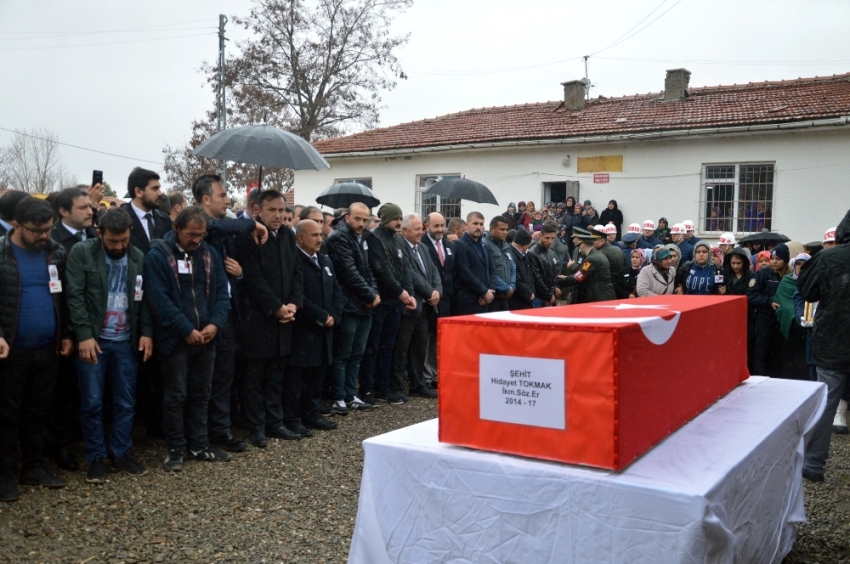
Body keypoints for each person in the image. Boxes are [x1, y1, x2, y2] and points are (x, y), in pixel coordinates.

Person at [65, 208, 153, 482]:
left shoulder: (137, 257)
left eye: (124, 240)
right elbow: (75, 296)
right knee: (92, 402)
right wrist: (83, 335)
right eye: (113, 241)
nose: (119, 246)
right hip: (95, 340)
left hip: (126, 341)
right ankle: (96, 457)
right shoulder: (83, 253)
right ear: (99, 232)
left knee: (125, 402)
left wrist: (146, 332)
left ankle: (121, 453)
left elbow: (144, 299)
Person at [144, 206, 232, 471]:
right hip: (175, 340)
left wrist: (215, 324)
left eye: (201, 234)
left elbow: (221, 293)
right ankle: (175, 448)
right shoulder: (158, 255)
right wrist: (185, 329)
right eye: (192, 234)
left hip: (206, 339)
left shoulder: (209, 253)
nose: (196, 240)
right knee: (175, 395)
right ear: (177, 229)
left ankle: (199, 444)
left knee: (201, 394)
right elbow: (159, 300)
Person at [0, 197, 74, 502]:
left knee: (39, 410)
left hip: (47, 348)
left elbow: (65, 296)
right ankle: (4, 473)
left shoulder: (56, 253)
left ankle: (33, 466)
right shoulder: (1, 253)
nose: (44, 235)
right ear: (17, 225)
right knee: (6, 413)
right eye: (37, 231)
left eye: (48, 229)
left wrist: (66, 334)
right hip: (10, 350)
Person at [193, 174, 269, 453]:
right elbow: (226, 226)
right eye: (223, 195)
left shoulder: (224, 232)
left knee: (224, 376)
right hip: (203, 316)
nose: (228, 199)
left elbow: (231, 269)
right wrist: (253, 223)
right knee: (203, 383)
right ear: (205, 199)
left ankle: (221, 430)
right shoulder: (204, 226)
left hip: (227, 312)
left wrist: (239, 275)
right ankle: (200, 435)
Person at [235, 191, 304, 445]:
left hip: (285, 317)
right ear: (258, 210)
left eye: (281, 210)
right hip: (258, 318)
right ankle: (256, 426)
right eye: (271, 210)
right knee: (255, 378)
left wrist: (294, 304)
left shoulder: (287, 235)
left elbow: (297, 272)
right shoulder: (249, 236)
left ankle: (275, 422)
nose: (277, 215)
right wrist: (275, 307)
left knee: (276, 375)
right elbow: (252, 277)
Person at [46, 187, 100, 471]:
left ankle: (83, 439)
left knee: (87, 392)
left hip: (94, 328)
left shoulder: (95, 237)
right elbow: (60, 294)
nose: (90, 211)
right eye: (83, 207)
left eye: (90, 207)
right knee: (62, 392)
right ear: (64, 211)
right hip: (63, 329)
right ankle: (61, 445)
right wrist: (67, 331)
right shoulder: (53, 242)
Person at [800, 209, 850, 482]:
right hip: (835, 340)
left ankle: (814, 464)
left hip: (833, 342)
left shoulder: (828, 257)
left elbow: (807, 290)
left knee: (826, 404)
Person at [325, 203, 380, 416]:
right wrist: (370, 295)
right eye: (357, 219)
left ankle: (350, 394)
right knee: (343, 354)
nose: (361, 224)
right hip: (348, 305)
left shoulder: (363, 237)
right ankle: (338, 397)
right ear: (347, 217)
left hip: (364, 305)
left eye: (365, 220)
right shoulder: (339, 237)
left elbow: (369, 270)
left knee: (357, 353)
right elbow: (348, 272)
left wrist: (374, 294)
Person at [288, 219, 342, 433]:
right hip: (303, 329)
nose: (320, 239)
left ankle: (312, 414)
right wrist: (320, 315)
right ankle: (293, 418)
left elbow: (337, 290)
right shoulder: (293, 261)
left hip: (324, 330)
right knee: (297, 379)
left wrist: (335, 315)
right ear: (300, 237)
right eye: (314, 235)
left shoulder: (325, 260)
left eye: (321, 234)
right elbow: (297, 295)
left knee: (317, 376)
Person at [361, 203, 415, 407]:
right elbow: (381, 270)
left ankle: (384, 388)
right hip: (381, 300)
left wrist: (407, 293)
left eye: (400, 218)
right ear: (385, 220)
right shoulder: (374, 238)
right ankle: (368, 388)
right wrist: (401, 293)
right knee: (373, 346)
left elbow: (406, 268)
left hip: (396, 302)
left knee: (388, 347)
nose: (399, 222)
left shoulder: (398, 239)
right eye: (395, 219)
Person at [394, 214, 441, 400]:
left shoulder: (422, 248)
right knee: (402, 348)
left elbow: (434, 270)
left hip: (425, 307)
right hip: (409, 305)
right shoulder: (400, 247)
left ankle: (418, 384)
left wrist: (437, 291)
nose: (420, 232)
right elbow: (411, 274)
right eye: (416, 229)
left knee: (420, 348)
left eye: (421, 228)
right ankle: (396, 387)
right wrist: (430, 292)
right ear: (404, 230)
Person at [420, 212, 454, 389]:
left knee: (438, 339)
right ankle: (425, 376)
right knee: (426, 339)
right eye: (436, 226)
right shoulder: (422, 245)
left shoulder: (449, 245)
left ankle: (435, 373)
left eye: (442, 225)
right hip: (428, 301)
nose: (440, 229)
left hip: (445, 300)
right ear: (427, 226)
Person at [747, 243, 791, 377]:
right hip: (764, 319)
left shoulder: (789, 276)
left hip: (781, 320)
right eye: (773, 258)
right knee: (761, 352)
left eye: (778, 259)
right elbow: (751, 295)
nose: (774, 262)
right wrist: (768, 302)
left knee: (778, 354)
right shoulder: (762, 274)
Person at [452, 212, 502, 315]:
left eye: (481, 224)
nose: (478, 227)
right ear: (466, 225)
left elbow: (492, 270)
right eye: (475, 223)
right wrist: (484, 291)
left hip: (486, 301)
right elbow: (465, 273)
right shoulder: (460, 245)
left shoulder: (485, 246)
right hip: (468, 301)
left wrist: (490, 291)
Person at [773, 253, 810, 380]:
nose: (800, 267)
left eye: (804, 265)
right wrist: (794, 315)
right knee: (791, 362)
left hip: (809, 328)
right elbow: (780, 301)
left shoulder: (814, 281)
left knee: (806, 361)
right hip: (791, 328)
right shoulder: (787, 280)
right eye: (798, 264)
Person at [121, 168, 172, 255]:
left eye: (159, 188)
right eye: (155, 189)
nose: (160, 193)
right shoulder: (121, 219)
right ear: (138, 192)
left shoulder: (164, 219)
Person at [558, 228, 616, 303]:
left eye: (579, 246)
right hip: (603, 295)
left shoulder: (591, 259)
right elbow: (583, 273)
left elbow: (578, 277)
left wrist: (559, 283)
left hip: (600, 296)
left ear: (582, 245)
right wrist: (567, 277)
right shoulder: (596, 255)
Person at [482, 216, 516, 312]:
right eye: (502, 229)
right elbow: (488, 271)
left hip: (507, 295)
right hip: (493, 296)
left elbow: (512, 266)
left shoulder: (505, 245)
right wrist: (505, 288)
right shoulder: (484, 245)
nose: (505, 232)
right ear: (492, 229)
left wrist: (512, 286)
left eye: (506, 229)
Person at [527, 221, 561, 307]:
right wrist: (548, 296)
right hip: (538, 297)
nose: (550, 241)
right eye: (547, 238)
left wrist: (553, 290)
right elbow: (537, 278)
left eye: (552, 238)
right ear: (540, 236)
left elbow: (555, 274)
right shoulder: (532, 253)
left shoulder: (551, 252)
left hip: (550, 295)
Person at [592, 226, 625, 299]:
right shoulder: (618, 249)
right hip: (620, 285)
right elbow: (624, 265)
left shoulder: (599, 254)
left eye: (594, 240)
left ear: (601, 241)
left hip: (605, 288)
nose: (592, 243)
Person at [508, 229, 535, 310]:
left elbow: (530, 275)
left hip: (526, 299)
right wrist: (528, 294)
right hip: (516, 301)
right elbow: (516, 278)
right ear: (525, 245)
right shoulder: (510, 255)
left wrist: (532, 292)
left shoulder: (523, 255)